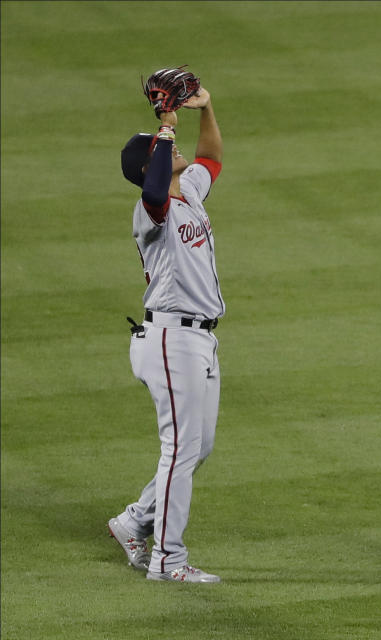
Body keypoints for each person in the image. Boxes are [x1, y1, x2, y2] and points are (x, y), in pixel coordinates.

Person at [108, 83, 225, 583]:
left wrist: (207, 109)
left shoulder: (190, 191)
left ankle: (134, 521)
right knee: (179, 449)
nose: (174, 149)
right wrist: (165, 126)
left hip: (199, 340)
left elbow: (212, 158)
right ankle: (167, 561)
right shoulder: (150, 212)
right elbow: (155, 188)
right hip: (170, 340)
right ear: (148, 164)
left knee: (196, 447)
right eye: (162, 150)